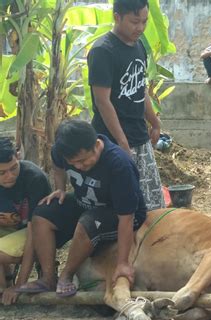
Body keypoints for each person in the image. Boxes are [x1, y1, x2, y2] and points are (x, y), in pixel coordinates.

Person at [17, 120, 147, 297]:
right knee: (41, 213)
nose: (78, 166)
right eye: (73, 162)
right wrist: (61, 188)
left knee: (88, 222)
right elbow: (57, 165)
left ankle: (66, 275)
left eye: (83, 161)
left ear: (95, 145)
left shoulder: (119, 164)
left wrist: (123, 263)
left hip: (121, 213)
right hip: (86, 202)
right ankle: (48, 279)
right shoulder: (61, 151)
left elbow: (127, 217)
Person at [87, 0, 164, 210]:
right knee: (121, 207)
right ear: (117, 17)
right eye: (134, 22)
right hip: (112, 141)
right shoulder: (103, 51)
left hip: (140, 137)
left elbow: (141, 89)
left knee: (152, 204)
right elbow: (102, 102)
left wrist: (155, 123)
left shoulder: (139, 46)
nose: (140, 27)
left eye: (144, 21)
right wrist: (122, 143)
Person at [0, 138, 51, 304]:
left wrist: (20, 285)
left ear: (18, 156)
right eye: (2, 173)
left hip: (34, 232)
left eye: (14, 168)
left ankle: (43, 267)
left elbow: (33, 234)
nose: (9, 176)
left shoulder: (35, 179)